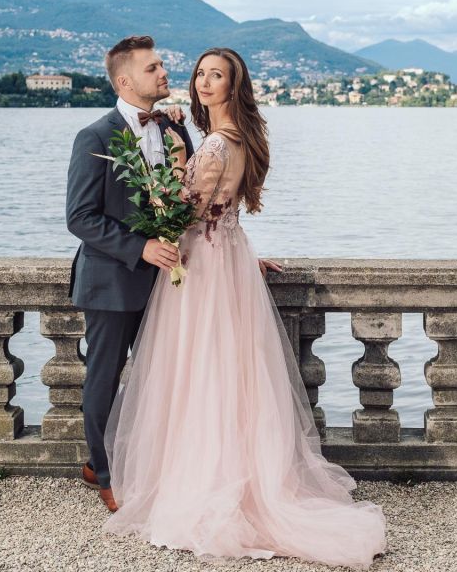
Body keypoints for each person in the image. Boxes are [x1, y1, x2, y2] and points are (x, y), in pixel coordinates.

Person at [100, 47, 387, 570]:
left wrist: (166, 173)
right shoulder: (242, 140)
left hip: (203, 270)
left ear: (234, 88)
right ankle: (238, 470)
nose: (204, 82)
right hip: (226, 261)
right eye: (201, 74)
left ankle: (206, 482)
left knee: (200, 371)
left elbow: (184, 213)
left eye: (217, 76)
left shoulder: (212, 145)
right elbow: (228, 216)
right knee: (231, 371)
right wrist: (246, 256)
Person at [65, 35, 196, 510]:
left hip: (167, 284)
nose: (164, 73)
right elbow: (80, 217)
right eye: (153, 67)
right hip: (112, 282)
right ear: (124, 81)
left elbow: (188, 197)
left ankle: (137, 461)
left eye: (162, 64)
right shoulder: (95, 137)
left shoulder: (172, 130)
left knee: (160, 380)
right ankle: (105, 475)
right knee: (104, 378)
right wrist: (139, 247)